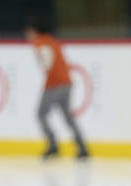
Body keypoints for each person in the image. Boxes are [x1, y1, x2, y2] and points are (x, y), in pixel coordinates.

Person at [24, 17, 89, 160]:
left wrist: (44, 66)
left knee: (41, 114)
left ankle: (53, 145)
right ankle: (82, 147)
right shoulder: (52, 40)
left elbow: (47, 62)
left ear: (34, 31)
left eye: (29, 32)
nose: (27, 35)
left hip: (55, 84)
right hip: (66, 82)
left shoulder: (40, 43)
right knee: (67, 116)